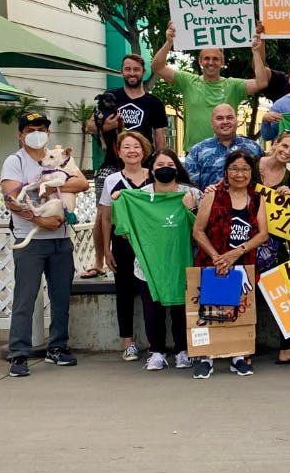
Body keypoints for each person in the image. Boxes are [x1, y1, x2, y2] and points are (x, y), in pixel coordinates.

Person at [1, 112, 89, 376]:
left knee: (61, 296)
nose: (37, 132)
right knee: (26, 297)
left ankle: (58, 347)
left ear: (48, 133)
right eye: (30, 129)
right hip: (31, 240)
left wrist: (50, 189)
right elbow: (11, 197)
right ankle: (18, 353)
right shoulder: (15, 161)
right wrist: (38, 217)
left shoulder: (58, 155)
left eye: (41, 128)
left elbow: (82, 182)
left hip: (61, 239)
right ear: (20, 134)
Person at [82, 53, 168, 279]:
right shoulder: (111, 97)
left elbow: (160, 137)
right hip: (112, 165)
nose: (131, 73)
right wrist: (106, 125)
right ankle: (99, 262)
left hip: (145, 166)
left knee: (149, 212)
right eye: (127, 69)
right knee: (103, 213)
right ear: (122, 72)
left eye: (136, 69)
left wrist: (160, 164)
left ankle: (148, 258)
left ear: (143, 72)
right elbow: (89, 125)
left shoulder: (153, 103)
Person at [190, 151, 270, 378]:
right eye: (234, 168)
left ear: (251, 173)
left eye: (245, 169)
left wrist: (236, 254)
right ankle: (205, 357)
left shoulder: (256, 199)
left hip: (242, 264)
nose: (239, 174)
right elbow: (198, 230)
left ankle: (238, 356)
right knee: (208, 310)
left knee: (239, 310)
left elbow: (263, 233)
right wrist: (218, 257)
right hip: (211, 262)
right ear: (226, 171)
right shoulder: (213, 195)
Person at [129, 149, 202, 370]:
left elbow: (205, 226)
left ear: (177, 168)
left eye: (169, 164)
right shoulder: (139, 196)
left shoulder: (191, 194)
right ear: (151, 169)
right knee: (153, 310)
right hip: (148, 265)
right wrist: (120, 199)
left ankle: (183, 351)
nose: (164, 169)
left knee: (181, 309)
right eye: (159, 165)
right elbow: (125, 229)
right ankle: (157, 352)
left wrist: (192, 208)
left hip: (182, 261)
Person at [149, 22, 268, 149]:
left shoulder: (233, 85)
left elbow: (261, 82)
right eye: (206, 58)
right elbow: (157, 67)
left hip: (225, 151)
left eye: (215, 59)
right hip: (194, 152)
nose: (211, 62)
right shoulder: (187, 81)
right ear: (200, 61)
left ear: (222, 62)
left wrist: (256, 51)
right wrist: (169, 43)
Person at [96, 131, 154, 361]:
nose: (132, 151)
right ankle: (128, 343)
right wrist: (107, 250)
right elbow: (106, 217)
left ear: (144, 150)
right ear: (119, 152)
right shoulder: (112, 181)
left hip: (151, 244)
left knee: (152, 292)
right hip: (123, 244)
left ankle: (154, 342)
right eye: (126, 147)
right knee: (124, 292)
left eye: (136, 146)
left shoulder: (155, 176)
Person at [256, 132, 290, 364]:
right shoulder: (253, 164)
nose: (286, 151)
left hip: (275, 244)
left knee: (283, 294)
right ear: (275, 144)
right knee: (246, 294)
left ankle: (287, 348)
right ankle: (242, 347)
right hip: (246, 237)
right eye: (284, 145)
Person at [183, 104, 263, 190]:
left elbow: (265, 179)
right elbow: (190, 187)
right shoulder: (197, 151)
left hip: (248, 202)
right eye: (219, 118)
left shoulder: (254, 148)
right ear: (212, 123)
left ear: (236, 120)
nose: (225, 122)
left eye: (229, 117)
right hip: (209, 202)